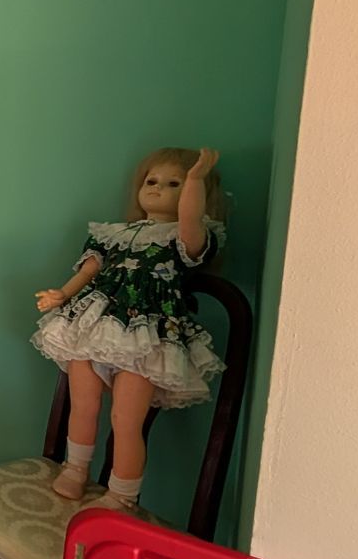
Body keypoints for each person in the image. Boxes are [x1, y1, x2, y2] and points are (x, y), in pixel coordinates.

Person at [29, 147, 225, 511]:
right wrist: (62, 294)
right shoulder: (113, 234)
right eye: (151, 181)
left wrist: (195, 180)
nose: (156, 189)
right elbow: (89, 271)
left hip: (145, 336)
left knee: (125, 418)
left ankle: (122, 494)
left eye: (172, 184)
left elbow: (190, 224)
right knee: (83, 404)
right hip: (91, 327)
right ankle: (75, 469)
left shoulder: (182, 237)